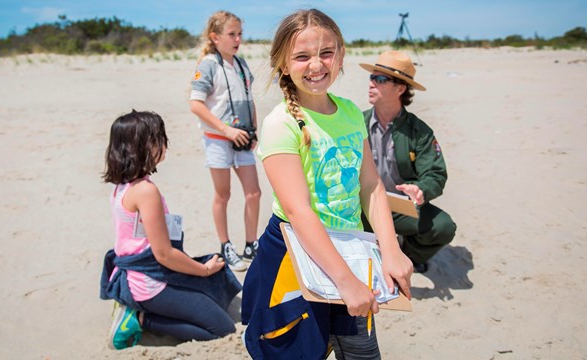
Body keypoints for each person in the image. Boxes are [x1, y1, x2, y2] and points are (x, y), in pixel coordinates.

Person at [240, 9, 413, 359]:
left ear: (341, 55)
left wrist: (390, 249)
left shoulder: (350, 112)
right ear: (284, 64)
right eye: (302, 56)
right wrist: (345, 282)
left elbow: (371, 187)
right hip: (296, 259)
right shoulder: (282, 124)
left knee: (362, 352)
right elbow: (298, 210)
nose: (316, 65)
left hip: (352, 251)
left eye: (326, 53)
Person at [99, 110, 241, 350]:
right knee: (222, 328)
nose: (165, 144)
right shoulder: (145, 191)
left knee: (211, 298)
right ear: (144, 147)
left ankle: (143, 311)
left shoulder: (122, 187)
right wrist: (204, 270)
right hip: (148, 282)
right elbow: (163, 254)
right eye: (159, 139)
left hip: (136, 274)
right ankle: (141, 319)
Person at [358, 50, 457, 273]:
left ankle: (409, 253)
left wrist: (421, 190)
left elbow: (435, 175)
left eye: (380, 79)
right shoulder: (356, 123)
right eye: (371, 77)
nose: (372, 83)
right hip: (363, 205)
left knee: (443, 227)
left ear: (400, 88)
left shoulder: (419, 132)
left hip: (403, 208)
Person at [189, 11, 261, 272]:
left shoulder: (241, 65)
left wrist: (254, 130)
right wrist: (226, 130)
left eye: (240, 33)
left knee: (254, 193)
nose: (238, 39)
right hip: (218, 139)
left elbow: (249, 100)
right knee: (224, 194)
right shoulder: (208, 64)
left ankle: (251, 244)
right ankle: (226, 245)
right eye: (232, 34)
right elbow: (195, 104)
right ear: (215, 37)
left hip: (242, 139)